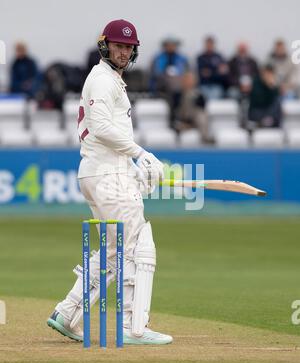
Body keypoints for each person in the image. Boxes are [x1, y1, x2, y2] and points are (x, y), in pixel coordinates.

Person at [47, 19, 173, 345]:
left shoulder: (111, 80)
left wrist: (131, 169)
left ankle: (68, 312)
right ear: (105, 45)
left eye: (128, 47)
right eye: (118, 45)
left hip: (105, 172)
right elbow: (101, 127)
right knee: (135, 247)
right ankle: (135, 327)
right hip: (105, 173)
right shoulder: (102, 80)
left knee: (116, 250)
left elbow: (104, 134)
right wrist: (139, 154)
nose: (123, 51)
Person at [173, 71, 212, 143]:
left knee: (202, 115)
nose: (189, 82)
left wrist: (195, 97)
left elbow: (202, 107)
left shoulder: (199, 94)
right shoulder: (177, 94)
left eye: (191, 80)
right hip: (181, 121)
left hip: (195, 121)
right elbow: (174, 110)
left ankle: (205, 138)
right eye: (187, 80)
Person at [248, 64, 282, 129]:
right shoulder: (256, 81)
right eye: (266, 73)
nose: (268, 75)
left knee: (277, 103)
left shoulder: (273, 84)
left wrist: (271, 87)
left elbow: (275, 98)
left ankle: (268, 121)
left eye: (270, 73)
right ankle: (265, 122)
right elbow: (258, 100)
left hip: (269, 111)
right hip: (258, 110)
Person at [196, 36, 229, 100]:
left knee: (214, 96)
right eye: (207, 44)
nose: (209, 46)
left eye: (211, 44)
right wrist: (216, 71)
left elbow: (223, 73)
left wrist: (210, 73)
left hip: (217, 85)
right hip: (204, 85)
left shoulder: (219, 57)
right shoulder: (200, 57)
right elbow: (202, 73)